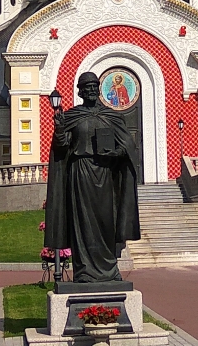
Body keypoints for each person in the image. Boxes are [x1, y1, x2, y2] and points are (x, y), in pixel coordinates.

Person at [44, 72, 141, 283]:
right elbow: (61, 147)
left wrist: (116, 153)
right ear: (79, 91)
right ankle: (84, 271)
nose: (89, 90)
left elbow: (127, 147)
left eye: (93, 86)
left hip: (105, 173)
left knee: (106, 220)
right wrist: (60, 128)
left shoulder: (112, 116)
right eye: (85, 87)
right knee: (83, 222)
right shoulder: (72, 116)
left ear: (99, 89)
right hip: (81, 172)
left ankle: (109, 268)